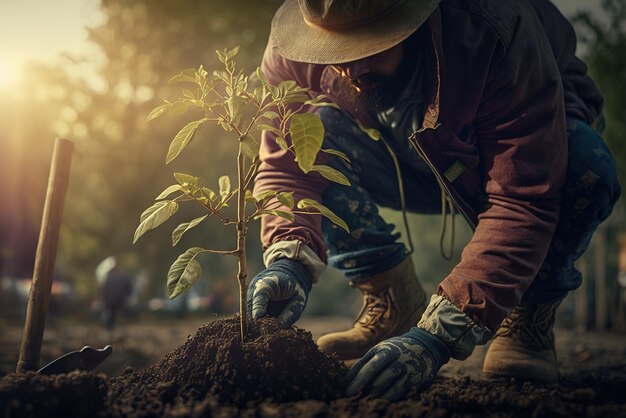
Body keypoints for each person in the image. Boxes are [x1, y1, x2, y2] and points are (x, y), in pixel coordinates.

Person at [247, 0, 621, 400]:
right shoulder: (298, 47)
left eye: (366, 47)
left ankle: (527, 317)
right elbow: (287, 165)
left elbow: (524, 198)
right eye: (334, 53)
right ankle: (392, 300)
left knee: (587, 171)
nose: (349, 72)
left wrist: (437, 335)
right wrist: (289, 259)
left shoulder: (493, 32)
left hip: (513, 144)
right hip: (404, 155)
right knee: (312, 134)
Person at [98, 257, 133, 329]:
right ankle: (123, 325)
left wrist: (104, 299)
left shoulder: (108, 276)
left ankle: (110, 326)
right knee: (121, 312)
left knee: (111, 313)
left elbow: (105, 289)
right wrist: (128, 296)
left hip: (110, 300)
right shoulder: (123, 275)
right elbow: (128, 286)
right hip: (121, 299)